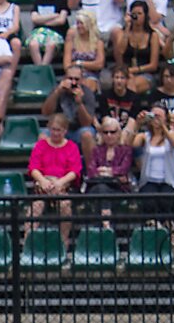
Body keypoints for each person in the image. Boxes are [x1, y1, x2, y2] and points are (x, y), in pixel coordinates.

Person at [27, 114, 81, 245]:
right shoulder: (41, 145)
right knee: (35, 208)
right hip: (43, 185)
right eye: (53, 129)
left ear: (65, 131)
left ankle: (63, 242)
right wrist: (44, 181)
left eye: (59, 130)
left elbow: (75, 170)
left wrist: (60, 182)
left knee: (65, 206)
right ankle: (28, 242)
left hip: (63, 186)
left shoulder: (72, 147)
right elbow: (33, 167)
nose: (56, 133)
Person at [133, 105, 174, 219]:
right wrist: (138, 124)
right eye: (153, 116)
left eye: (159, 116)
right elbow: (132, 143)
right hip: (150, 180)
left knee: (165, 202)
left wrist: (163, 126)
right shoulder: (145, 137)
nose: (155, 119)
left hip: (168, 180)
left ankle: (168, 228)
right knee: (149, 202)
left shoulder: (172, 134)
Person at [42, 64, 98, 159]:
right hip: (59, 129)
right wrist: (57, 92)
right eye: (70, 78)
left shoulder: (87, 93)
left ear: (82, 80)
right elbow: (46, 112)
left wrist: (79, 103)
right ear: (64, 78)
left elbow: (87, 123)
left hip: (79, 130)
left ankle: (91, 172)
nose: (73, 82)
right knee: (43, 136)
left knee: (87, 135)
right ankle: (46, 170)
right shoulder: (58, 90)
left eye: (76, 79)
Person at [85, 116, 132, 225]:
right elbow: (91, 170)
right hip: (97, 187)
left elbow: (123, 169)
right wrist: (111, 173)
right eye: (105, 132)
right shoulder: (96, 150)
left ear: (119, 133)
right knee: (101, 189)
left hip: (118, 188)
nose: (109, 135)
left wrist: (105, 171)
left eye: (112, 132)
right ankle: (106, 222)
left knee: (102, 190)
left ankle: (103, 225)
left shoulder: (125, 150)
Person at [114, 1, 161, 94]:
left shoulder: (153, 35)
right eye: (134, 14)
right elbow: (120, 51)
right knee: (123, 83)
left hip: (145, 72)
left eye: (139, 13)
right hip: (126, 72)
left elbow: (153, 65)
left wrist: (135, 70)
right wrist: (127, 29)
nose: (136, 16)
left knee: (131, 85)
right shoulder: (123, 33)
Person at [27, 0, 69, 66]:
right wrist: (53, 16)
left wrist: (41, 20)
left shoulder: (63, 1)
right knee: (33, 44)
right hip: (39, 32)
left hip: (57, 33)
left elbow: (61, 20)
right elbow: (34, 19)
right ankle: (40, 67)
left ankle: (43, 68)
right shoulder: (38, 0)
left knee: (51, 45)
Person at [63, 10, 106, 89]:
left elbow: (99, 64)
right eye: (77, 23)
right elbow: (67, 65)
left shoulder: (98, 42)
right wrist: (89, 65)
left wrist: (78, 63)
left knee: (88, 84)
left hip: (91, 74)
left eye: (81, 23)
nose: (79, 26)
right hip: (73, 74)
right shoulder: (71, 41)